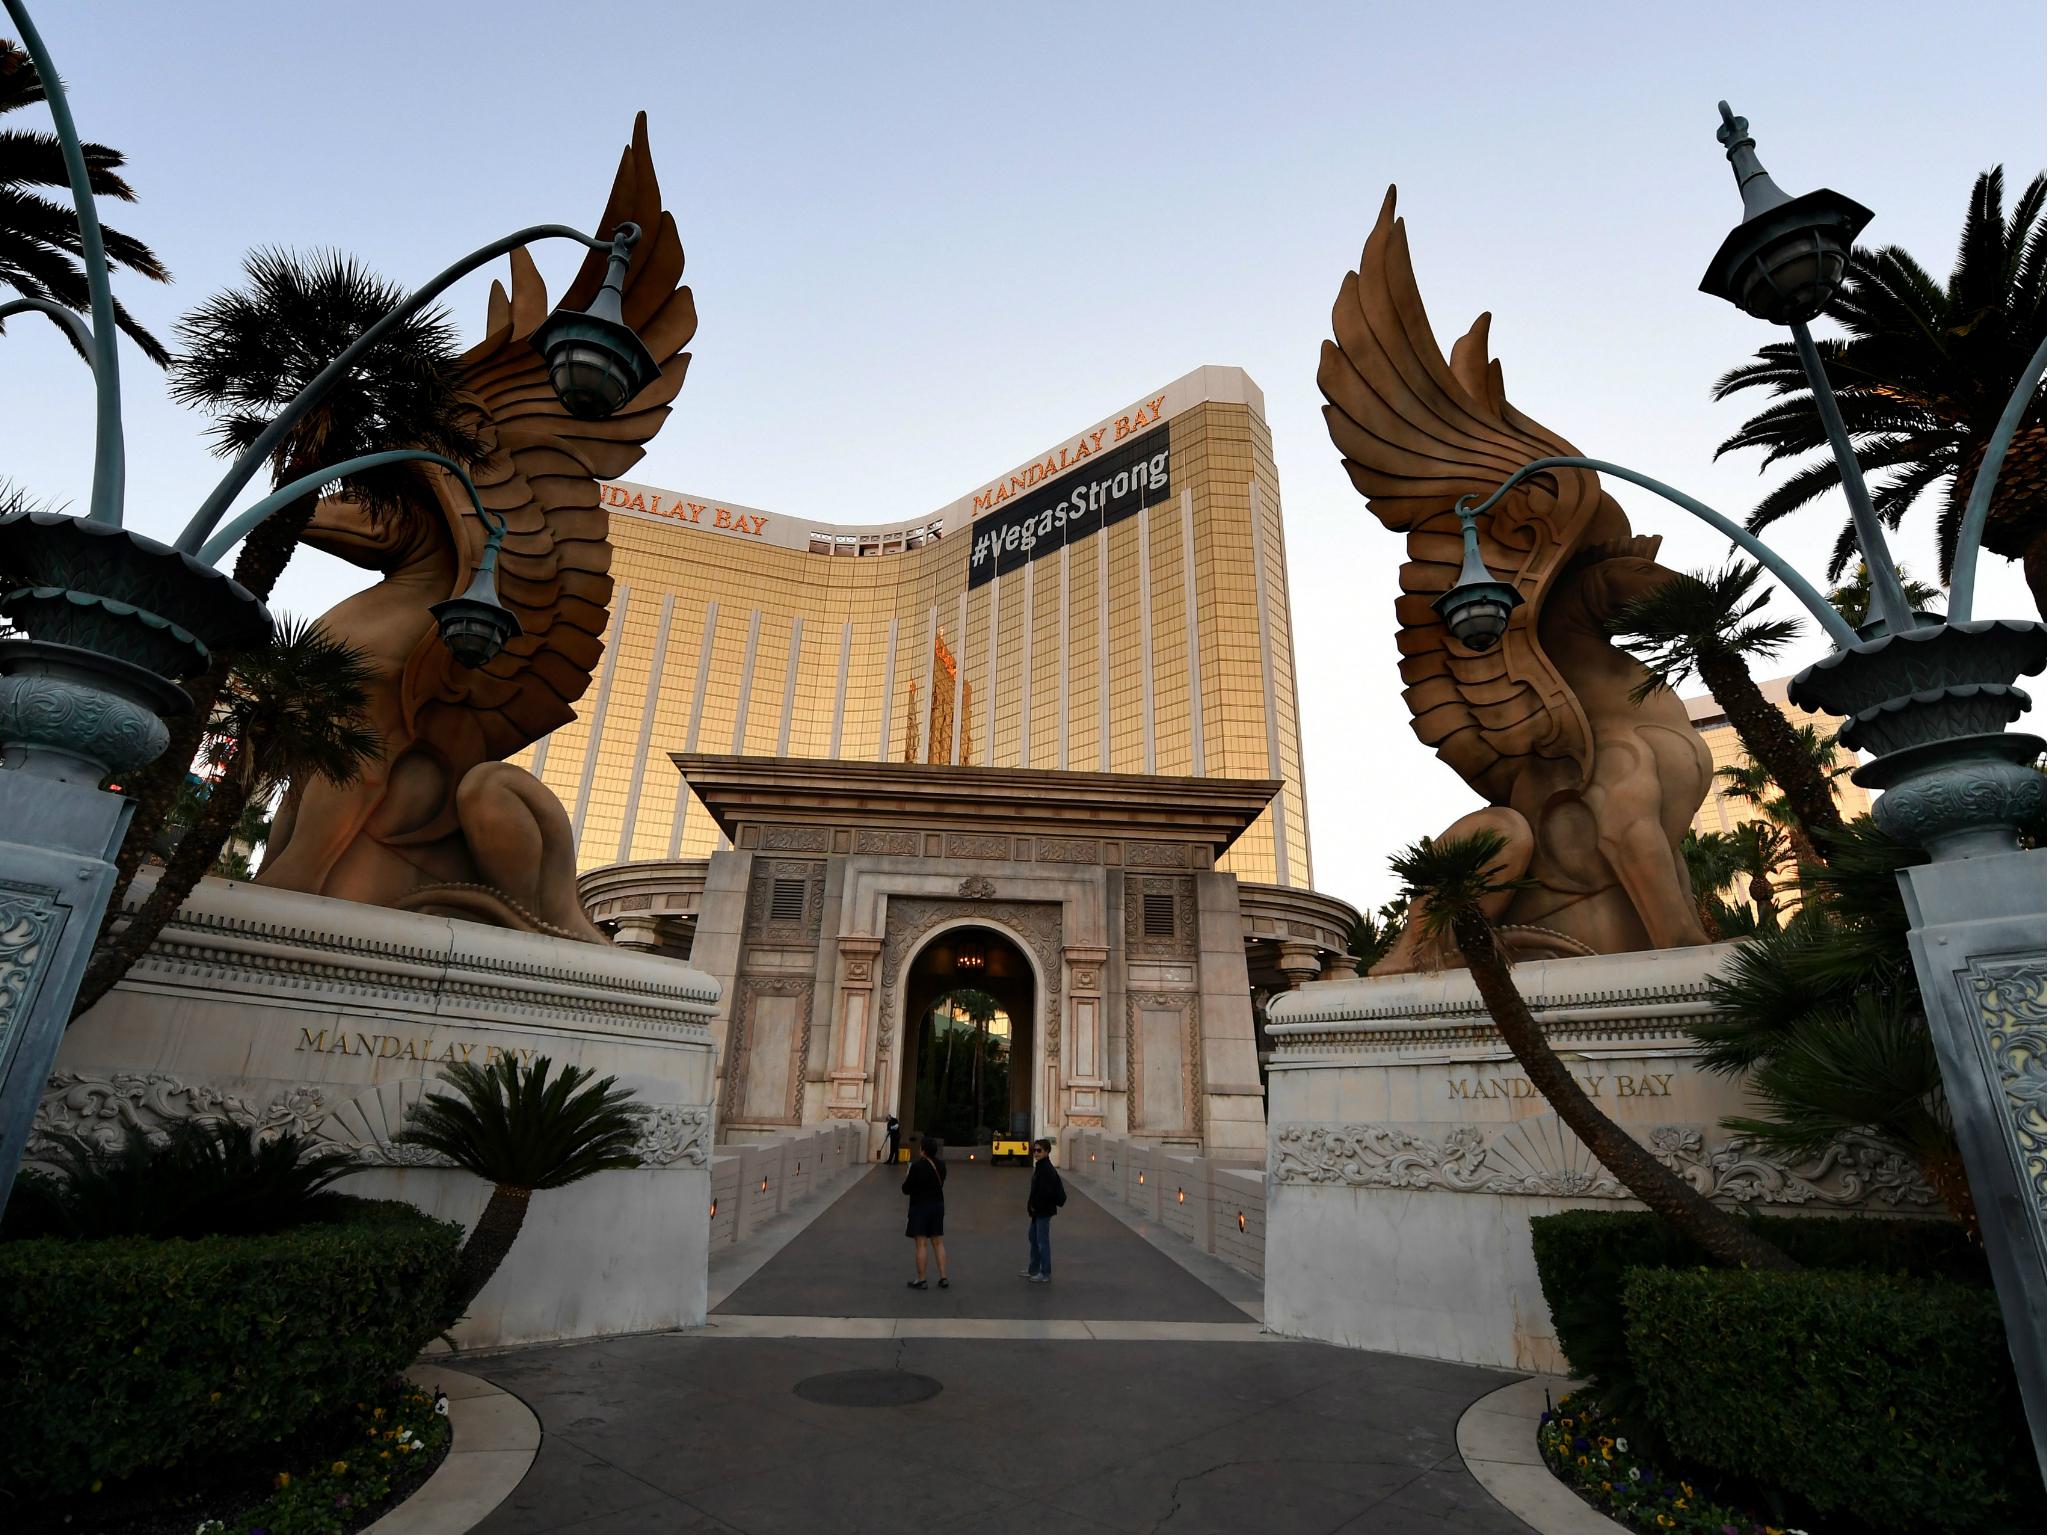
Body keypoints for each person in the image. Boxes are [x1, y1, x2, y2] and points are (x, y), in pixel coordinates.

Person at [902, 1134, 949, 1289]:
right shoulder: (941, 1165)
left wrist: (908, 1175)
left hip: (920, 1206)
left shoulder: (916, 1166)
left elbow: (906, 1189)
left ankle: (921, 1279)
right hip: (937, 1205)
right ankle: (943, 1277)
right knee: (938, 1242)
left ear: (923, 1150)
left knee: (921, 1243)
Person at [1022, 1137, 1065, 1283]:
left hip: (1043, 1211)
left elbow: (1046, 1193)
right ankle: (1033, 1269)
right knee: (1033, 1237)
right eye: (1034, 1150)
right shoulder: (1041, 1166)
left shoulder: (1046, 1169)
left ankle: (1045, 1272)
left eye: (1039, 1150)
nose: (1036, 1153)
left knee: (1042, 1241)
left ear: (1047, 1152)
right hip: (1038, 1211)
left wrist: (1036, 1206)